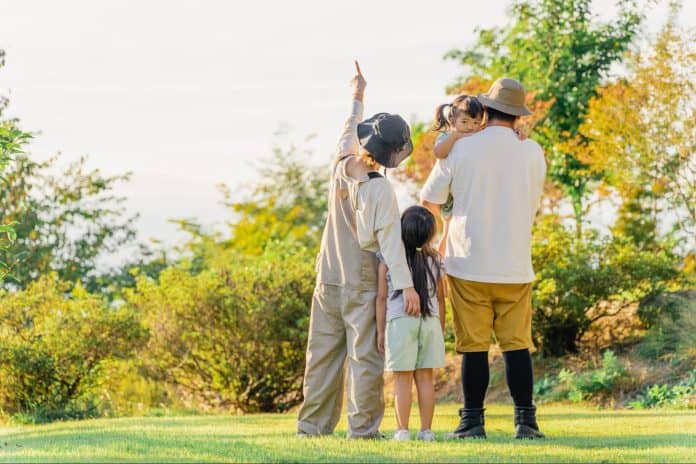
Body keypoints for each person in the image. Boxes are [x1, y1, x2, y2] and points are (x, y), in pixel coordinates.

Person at [297, 61, 421, 439]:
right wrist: (407, 286)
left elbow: (348, 128)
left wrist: (357, 95)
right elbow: (389, 242)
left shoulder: (339, 165)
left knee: (322, 355)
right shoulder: (381, 189)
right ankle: (364, 430)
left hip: (328, 277)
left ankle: (312, 427)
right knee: (365, 357)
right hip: (363, 279)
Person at [420, 77, 547, 440]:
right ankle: (526, 422)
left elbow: (429, 200)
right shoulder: (533, 151)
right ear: (517, 115)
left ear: (486, 110)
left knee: (473, 346)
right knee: (517, 344)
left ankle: (472, 421)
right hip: (515, 264)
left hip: (467, 261)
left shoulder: (460, 149)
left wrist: (436, 241)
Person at [376, 206, 446, 442]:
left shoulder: (389, 259)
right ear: (430, 234)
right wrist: (442, 327)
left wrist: (379, 331)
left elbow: (382, 298)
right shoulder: (436, 260)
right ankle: (426, 431)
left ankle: (402, 431)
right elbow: (440, 298)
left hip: (400, 322)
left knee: (402, 379)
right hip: (430, 322)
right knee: (426, 378)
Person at [430, 95, 485, 255]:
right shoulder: (448, 136)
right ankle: (439, 260)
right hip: (448, 194)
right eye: (465, 122)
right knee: (448, 232)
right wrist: (454, 136)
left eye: (476, 123)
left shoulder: (478, 136)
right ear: (453, 121)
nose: (470, 127)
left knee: (454, 233)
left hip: (466, 191)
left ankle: (442, 260)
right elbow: (439, 153)